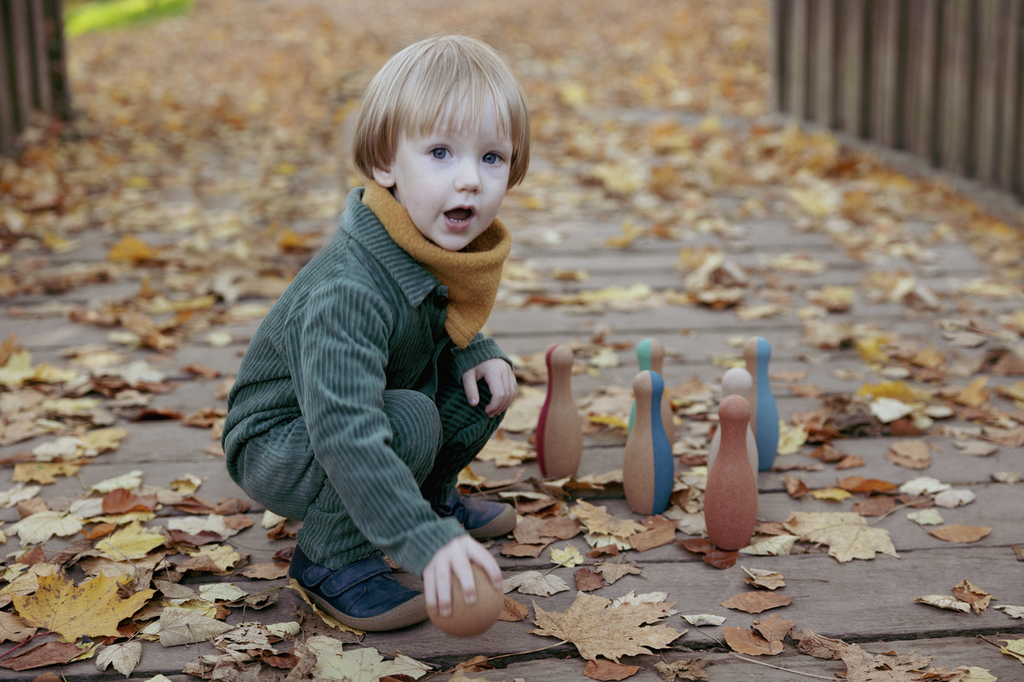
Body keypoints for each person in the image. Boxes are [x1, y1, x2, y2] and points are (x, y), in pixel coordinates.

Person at [221, 34, 530, 632]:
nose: (470, 180)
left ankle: (432, 497)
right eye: (441, 152)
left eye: (492, 158)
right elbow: (347, 431)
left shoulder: (420, 239)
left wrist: (480, 348)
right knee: (410, 418)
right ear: (385, 162)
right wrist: (422, 543)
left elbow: (436, 318)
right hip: (285, 440)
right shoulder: (349, 290)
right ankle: (329, 559)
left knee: (485, 381)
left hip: (359, 409)